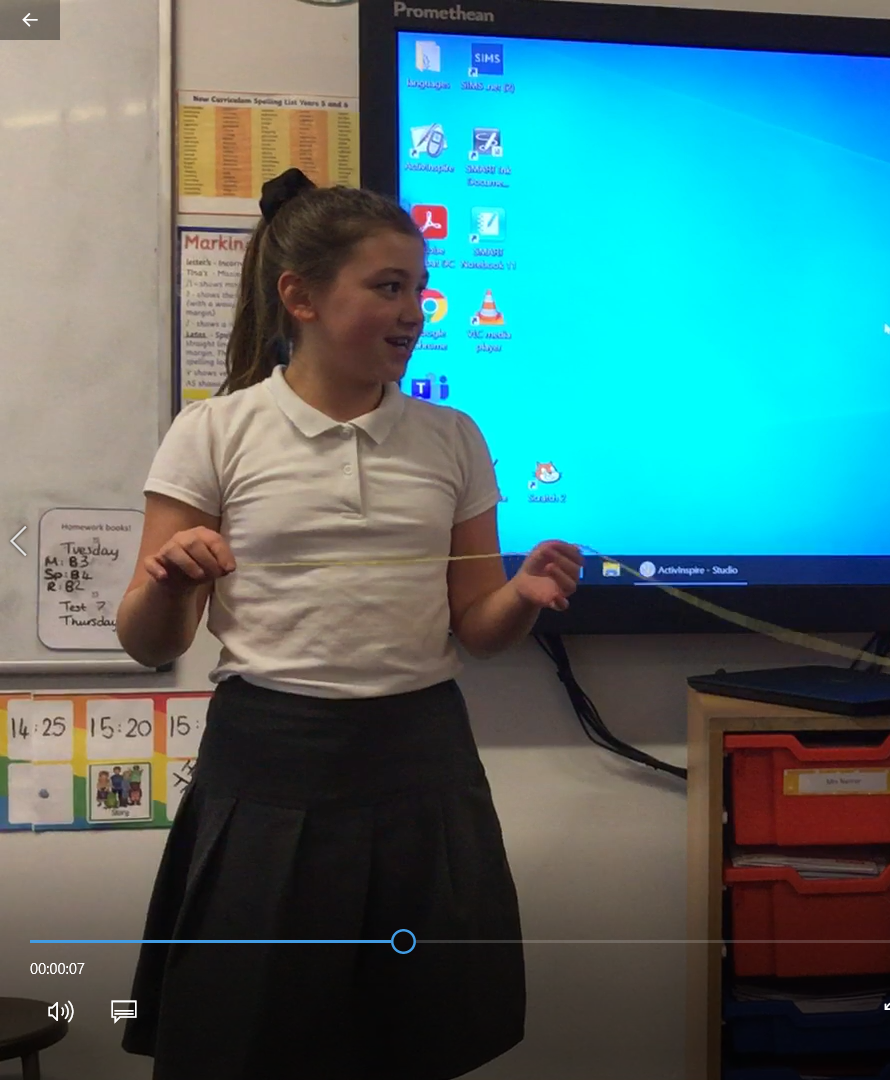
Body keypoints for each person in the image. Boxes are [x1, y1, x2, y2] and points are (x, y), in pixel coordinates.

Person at [115, 167, 582, 1080]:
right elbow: (149, 640)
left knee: (414, 1038)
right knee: (245, 1041)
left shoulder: (453, 437)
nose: (414, 312)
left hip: (422, 761)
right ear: (301, 297)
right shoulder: (215, 432)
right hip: (269, 763)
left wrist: (522, 595)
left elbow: (476, 628)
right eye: (388, 287)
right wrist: (170, 582)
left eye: (420, 288)